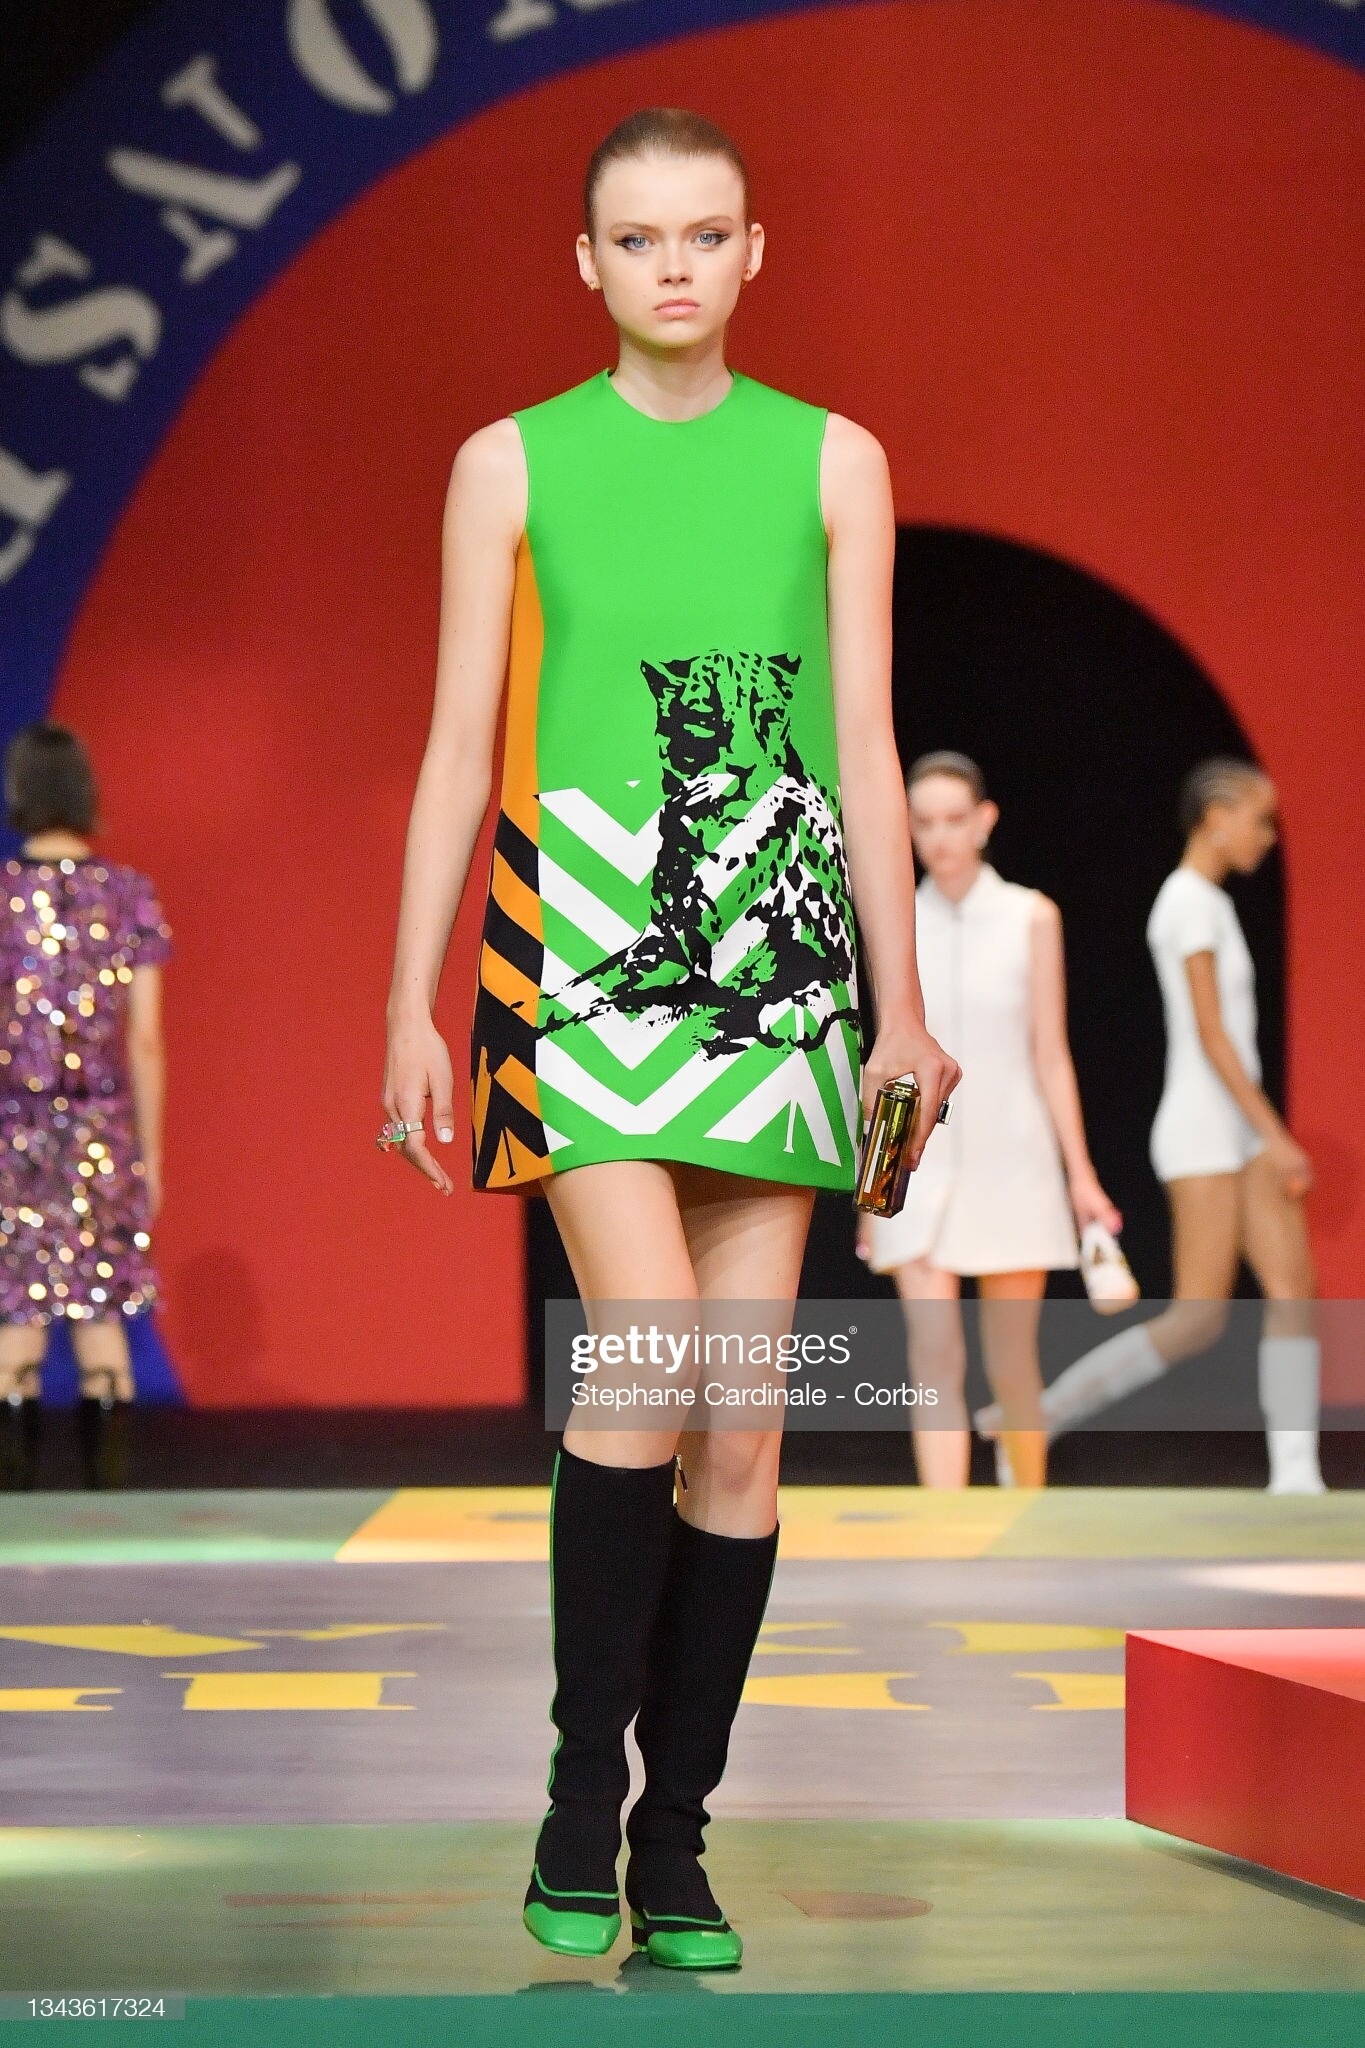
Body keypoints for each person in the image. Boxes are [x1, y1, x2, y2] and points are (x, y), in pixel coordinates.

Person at [379, 109, 958, 1970]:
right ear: (587, 262)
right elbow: (456, 749)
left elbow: (862, 748)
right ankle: (577, 1792)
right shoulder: (510, 463)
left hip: (780, 961)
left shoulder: (834, 460)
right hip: (579, 939)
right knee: (643, 1350)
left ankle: (675, 1833)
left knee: (747, 1427)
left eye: (706, 234)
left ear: (755, 250)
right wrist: (410, 998)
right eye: (638, 239)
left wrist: (904, 1007)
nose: (675, 266)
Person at [975, 758, 1324, 1494]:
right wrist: (1276, 1133)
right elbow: (1211, 1034)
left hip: (1238, 1128)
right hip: (1203, 1130)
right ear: (1217, 816)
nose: (1267, 836)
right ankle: (1037, 1416)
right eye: (1259, 819)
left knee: (1293, 1290)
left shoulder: (1211, 903)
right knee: (1196, 1318)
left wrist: (1261, 1134)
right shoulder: (1186, 902)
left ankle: (1296, 1476)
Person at [857, 753, 1120, 1488]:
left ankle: (1023, 1517)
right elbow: (881, 1061)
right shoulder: (893, 922)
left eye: (953, 819)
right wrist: (871, 1185)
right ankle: (944, 1526)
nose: (939, 837)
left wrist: (1080, 1175)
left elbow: (1051, 1056)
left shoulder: (1030, 917)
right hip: (913, 1160)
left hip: (1014, 1157)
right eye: (923, 822)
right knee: (933, 1356)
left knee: (1011, 1360)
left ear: (984, 820)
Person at [0, 724, 171, 1490]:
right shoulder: (128, 892)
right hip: (102, 1128)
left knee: (17, 1318)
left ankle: (14, 1509)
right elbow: (145, 1040)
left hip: (13, 1131)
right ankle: (111, 1506)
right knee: (102, 1316)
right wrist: (150, 1154)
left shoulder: (4, 896)